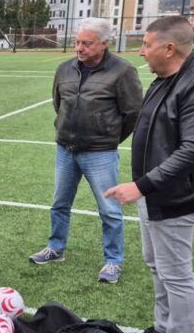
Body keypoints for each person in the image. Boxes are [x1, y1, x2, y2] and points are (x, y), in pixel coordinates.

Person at [104, 16, 194, 333]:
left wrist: (141, 186)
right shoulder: (166, 77)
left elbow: (193, 150)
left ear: (169, 48)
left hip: (177, 194)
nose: (141, 52)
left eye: (147, 45)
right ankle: (163, 330)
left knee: (176, 273)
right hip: (155, 190)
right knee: (156, 264)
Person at [29, 17, 143, 284]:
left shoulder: (123, 71)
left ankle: (113, 261)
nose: (79, 48)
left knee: (109, 209)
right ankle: (56, 248)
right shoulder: (64, 69)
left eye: (87, 43)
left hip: (100, 152)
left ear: (104, 44)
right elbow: (59, 103)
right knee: (59, 203)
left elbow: (133, 113)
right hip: (65, 149)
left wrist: (108, 138)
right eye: (77, 42)